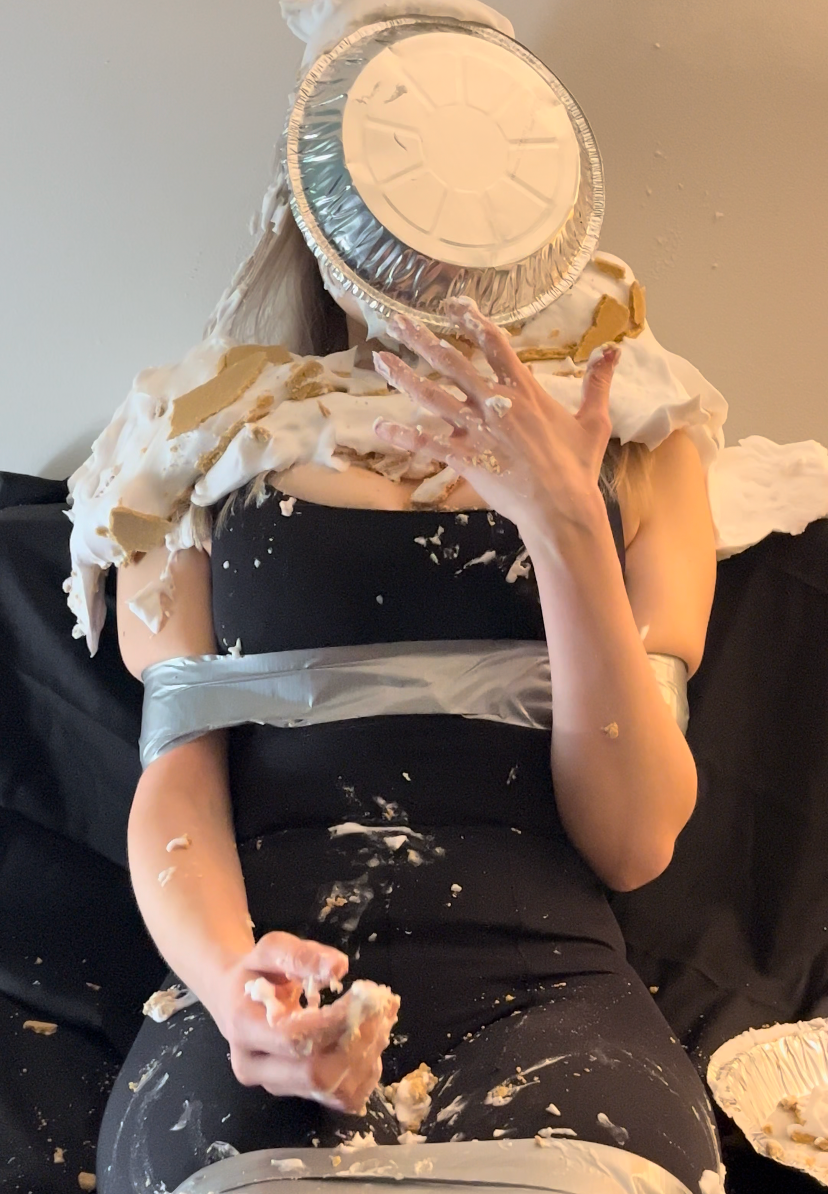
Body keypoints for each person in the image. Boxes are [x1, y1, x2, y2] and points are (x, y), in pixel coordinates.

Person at [96, 256, 721, 1190]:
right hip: (268, 971)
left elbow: (634, 843)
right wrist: (233, 989)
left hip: (550, 984)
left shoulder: (638, 433)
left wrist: (567, 524)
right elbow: (179, 778)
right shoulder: (190, 431)